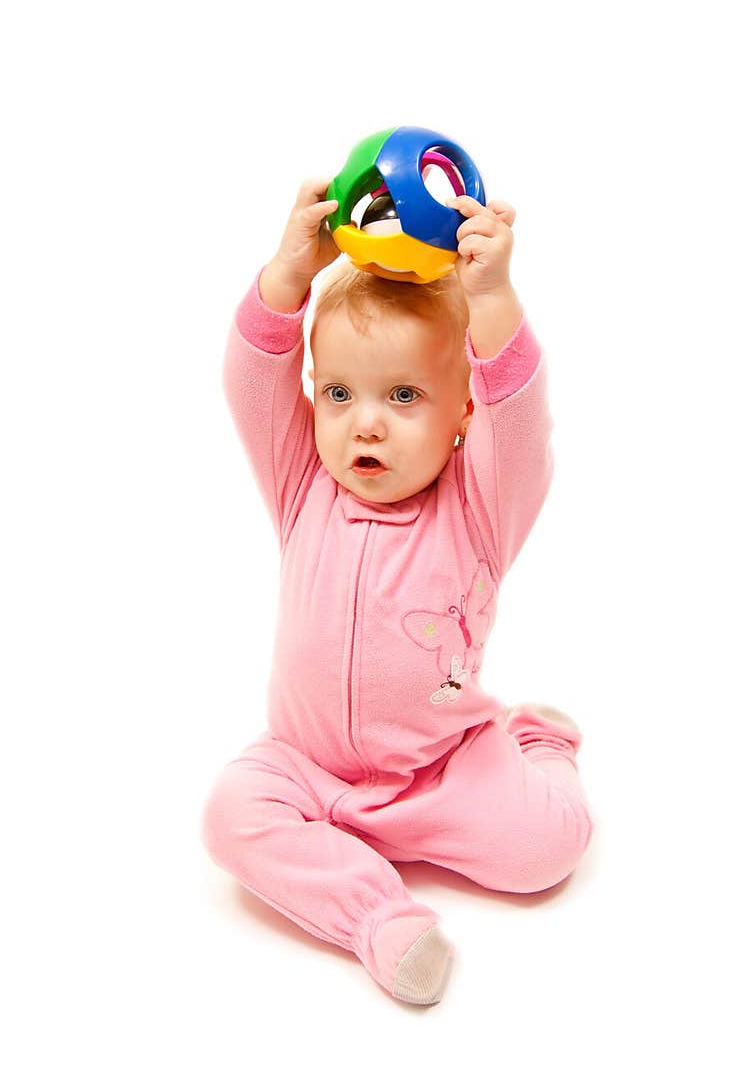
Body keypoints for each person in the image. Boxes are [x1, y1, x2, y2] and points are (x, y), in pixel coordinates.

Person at [200, 175, 594, 1005]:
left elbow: (520, 426)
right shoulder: (303, 483)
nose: (364, 423)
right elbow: (250, 379)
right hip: (308, 768)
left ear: (462, 416)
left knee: (550, 851)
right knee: (230, 815)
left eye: (403, 396)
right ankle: (380, 921)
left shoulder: (481, 506)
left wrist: (490, 301)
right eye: (338, 393)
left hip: (440, 772)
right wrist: (286, 276)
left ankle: (535, 744)